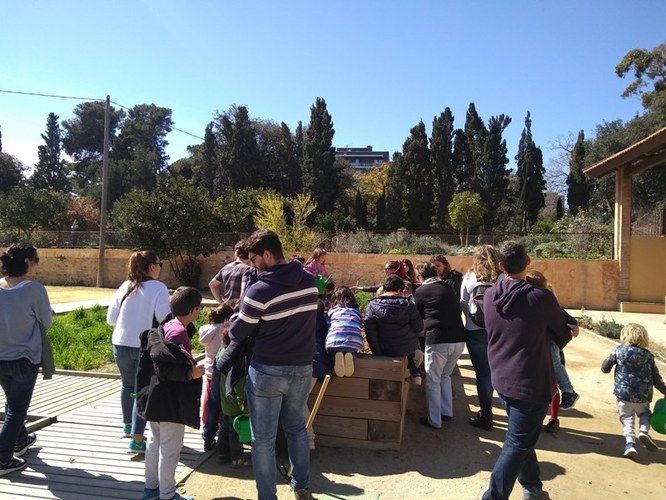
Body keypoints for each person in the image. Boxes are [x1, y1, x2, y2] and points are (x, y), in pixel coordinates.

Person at [219, 229, 318, 500]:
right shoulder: (309, 281)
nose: (252, 265)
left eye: (253, 259)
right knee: (297, 429)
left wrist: (240, 313)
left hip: (267, 370)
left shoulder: (259, 291)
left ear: (267, 254)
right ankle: (301, 486)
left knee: (262, 438)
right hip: (302, 367)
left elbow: (238, 332)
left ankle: (267, 496)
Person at [482, 241, 573, 500]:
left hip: (502, 378)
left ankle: (533, 488)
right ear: (529, 262)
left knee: (522, 437)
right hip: (530, 384)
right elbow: (562, 333)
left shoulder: (489, 295)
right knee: (517, 442)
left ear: (501, 267)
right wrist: (570, 330)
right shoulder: (540, 297)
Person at [137, 286, 204, 500]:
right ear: (193, 310)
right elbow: (166, 367)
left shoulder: (167, 325)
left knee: (154, 444)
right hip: (171, 401)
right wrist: (191, 374)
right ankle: (167, 494)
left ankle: (151, 490)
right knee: (169, 450)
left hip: (155, 396)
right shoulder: (179, 333)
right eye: (199, 308)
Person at [107, 250, 171, 453]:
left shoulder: (125, 286)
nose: (160, 268)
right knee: (142, 390)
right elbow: (164, 317)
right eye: (159, 264)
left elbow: (111, 319)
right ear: (152, 266)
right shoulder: (159, 288)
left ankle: (127, 426)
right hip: (143, 346)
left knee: (127, 386)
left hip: (120, 343)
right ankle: (137, 439)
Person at [0, 243, 54, 476]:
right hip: (25, 358)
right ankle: (2, 459)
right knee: (17, 409)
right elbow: (47, 322)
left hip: (1, 357)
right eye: (36, 260)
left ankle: (20, 440)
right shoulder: (35, 290)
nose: (37, 264)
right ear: (27, 262)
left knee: (12, 402)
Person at [525, 270, 580, 434]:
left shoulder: (550, 306)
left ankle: (555, 415)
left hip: (548, 351)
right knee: (542, 385)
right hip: (538, 351)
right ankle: (542, 418)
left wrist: (573, 327)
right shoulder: (535, 304)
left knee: (552, 382)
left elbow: (572, 322)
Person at [601, 323, 666, 459]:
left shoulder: (619, 351)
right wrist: (664, 390)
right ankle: (643, 431)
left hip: (623, 395)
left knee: (627, 419)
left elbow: (605, 367)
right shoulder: (648, 356)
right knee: (645, 413)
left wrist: (608, 368)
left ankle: (630, 444)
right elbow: (656, 378)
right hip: (642, 396)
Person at [413, 262, 465, 429]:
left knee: (433, 380)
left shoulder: (421, 291)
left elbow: (417, 316)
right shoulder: (448, 287)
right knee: (445, 376)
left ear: (420, 276)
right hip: (458, 339)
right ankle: (446, 412)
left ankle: (434, 420)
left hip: (438, 340)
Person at [459, 244, 503, 431]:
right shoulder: (502, 278)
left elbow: (463, 302)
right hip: (499, 332)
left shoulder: (469, 277)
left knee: (483, 374)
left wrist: (471, 319)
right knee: (500, 372)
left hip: (474, 331)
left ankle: (486, 415)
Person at [364, 275, 423, 384]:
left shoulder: (371, 306)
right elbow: (419, 327)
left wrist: (377, 353)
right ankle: (416, 372)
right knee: (414, 339)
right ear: (400, 290)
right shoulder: (408, 304)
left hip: (385, 348)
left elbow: (370, 333)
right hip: (407, 348)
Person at [199, 302, 235, 451]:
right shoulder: (225, 329)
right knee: (223, 401)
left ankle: (207, 434)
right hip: (223, 369)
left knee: (210, 401)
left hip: (209, 370)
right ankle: (223, 433)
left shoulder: (205, 330)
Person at [215, 320, 250, 468]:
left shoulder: (222, 352)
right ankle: (237, 458)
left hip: (224, 399)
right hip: (234, 403)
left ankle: (222, 454)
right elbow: (239, 386)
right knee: (235, 432)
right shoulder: (236, 360)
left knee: (224, 428)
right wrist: (245, 407)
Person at [326, 287, 364, 378]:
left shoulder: (332, 311)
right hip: (353, 342)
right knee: (351, 349)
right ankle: (351, 355)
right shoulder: (356, 312)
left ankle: (336, 355)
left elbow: (328, 325)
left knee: (333, 351)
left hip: (335, 340)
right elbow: (360, 325)